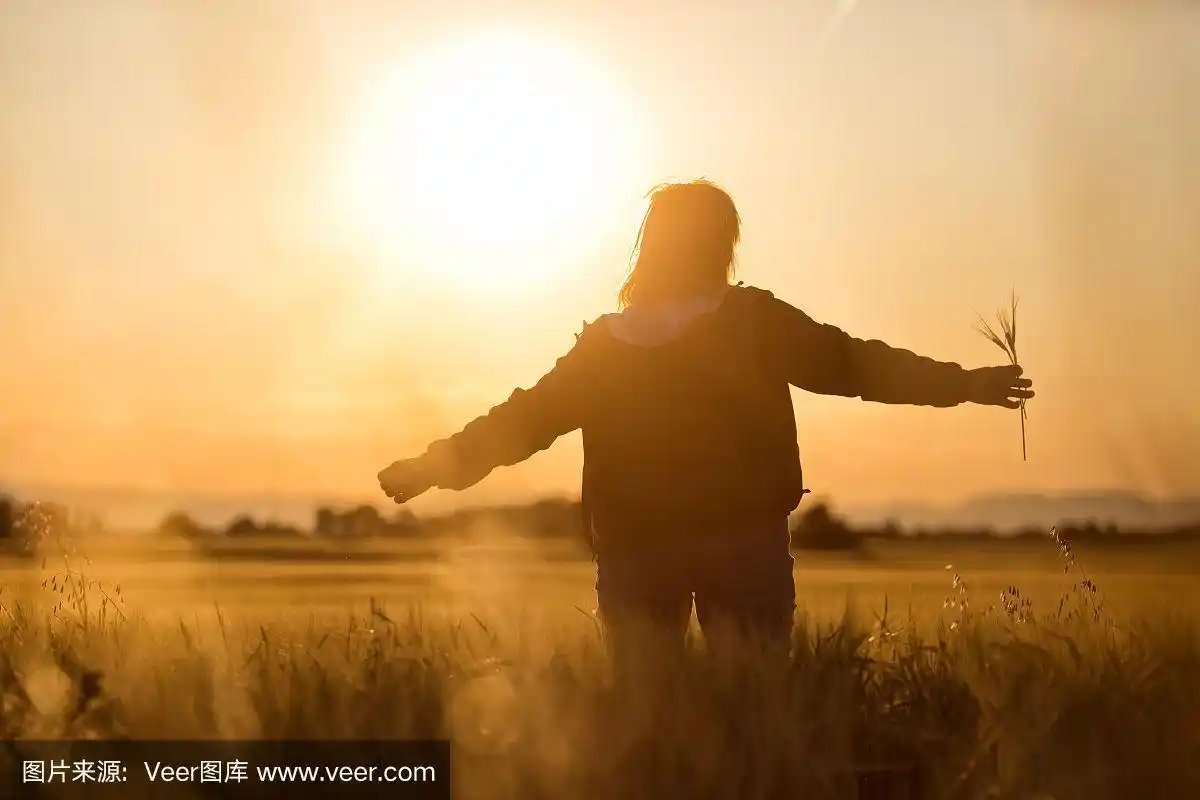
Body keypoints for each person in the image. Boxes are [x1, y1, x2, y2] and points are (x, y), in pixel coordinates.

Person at [377, 179, 1034, 673]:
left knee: (645, 716)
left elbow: (522, 421)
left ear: (651, 247)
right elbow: (856, 364)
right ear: (723, 244)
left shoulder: (606, 347)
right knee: (753, 710)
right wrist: (965, 385)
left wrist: (433, 467)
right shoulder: (752, 321)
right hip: (742, 546)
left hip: (636, 553)